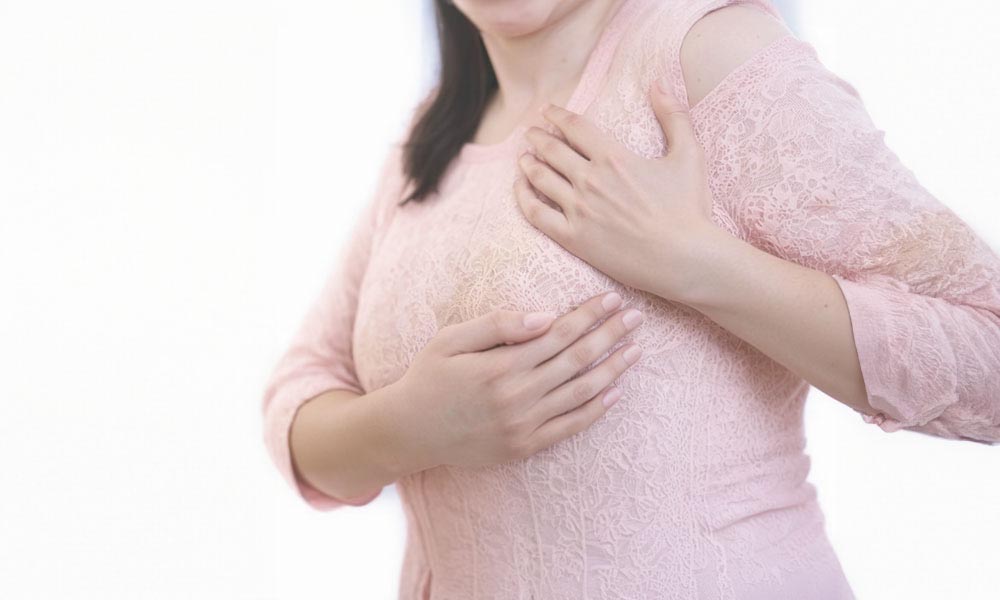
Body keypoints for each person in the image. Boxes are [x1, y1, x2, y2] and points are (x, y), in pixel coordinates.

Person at [261, 0, 1000, 598]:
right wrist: (412, 425)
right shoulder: (431, 142)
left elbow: (988, 349)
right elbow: (299, 396)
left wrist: (696, 264)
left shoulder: (709, 57)